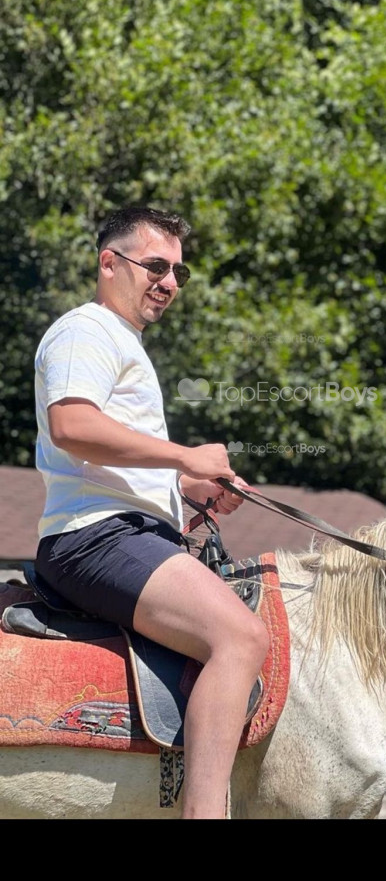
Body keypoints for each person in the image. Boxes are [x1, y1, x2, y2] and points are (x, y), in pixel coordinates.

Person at [34, 205, 269, 819]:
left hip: (125, 533)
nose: (169, 283)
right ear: (108, 263)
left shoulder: (120, 341)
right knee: (240, 636)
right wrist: (186, 454)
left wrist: (187, 486)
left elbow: (111, 461)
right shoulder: (86, 330)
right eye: (156, 266)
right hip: (96, 538)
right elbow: (72, 426)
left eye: (178, 273)